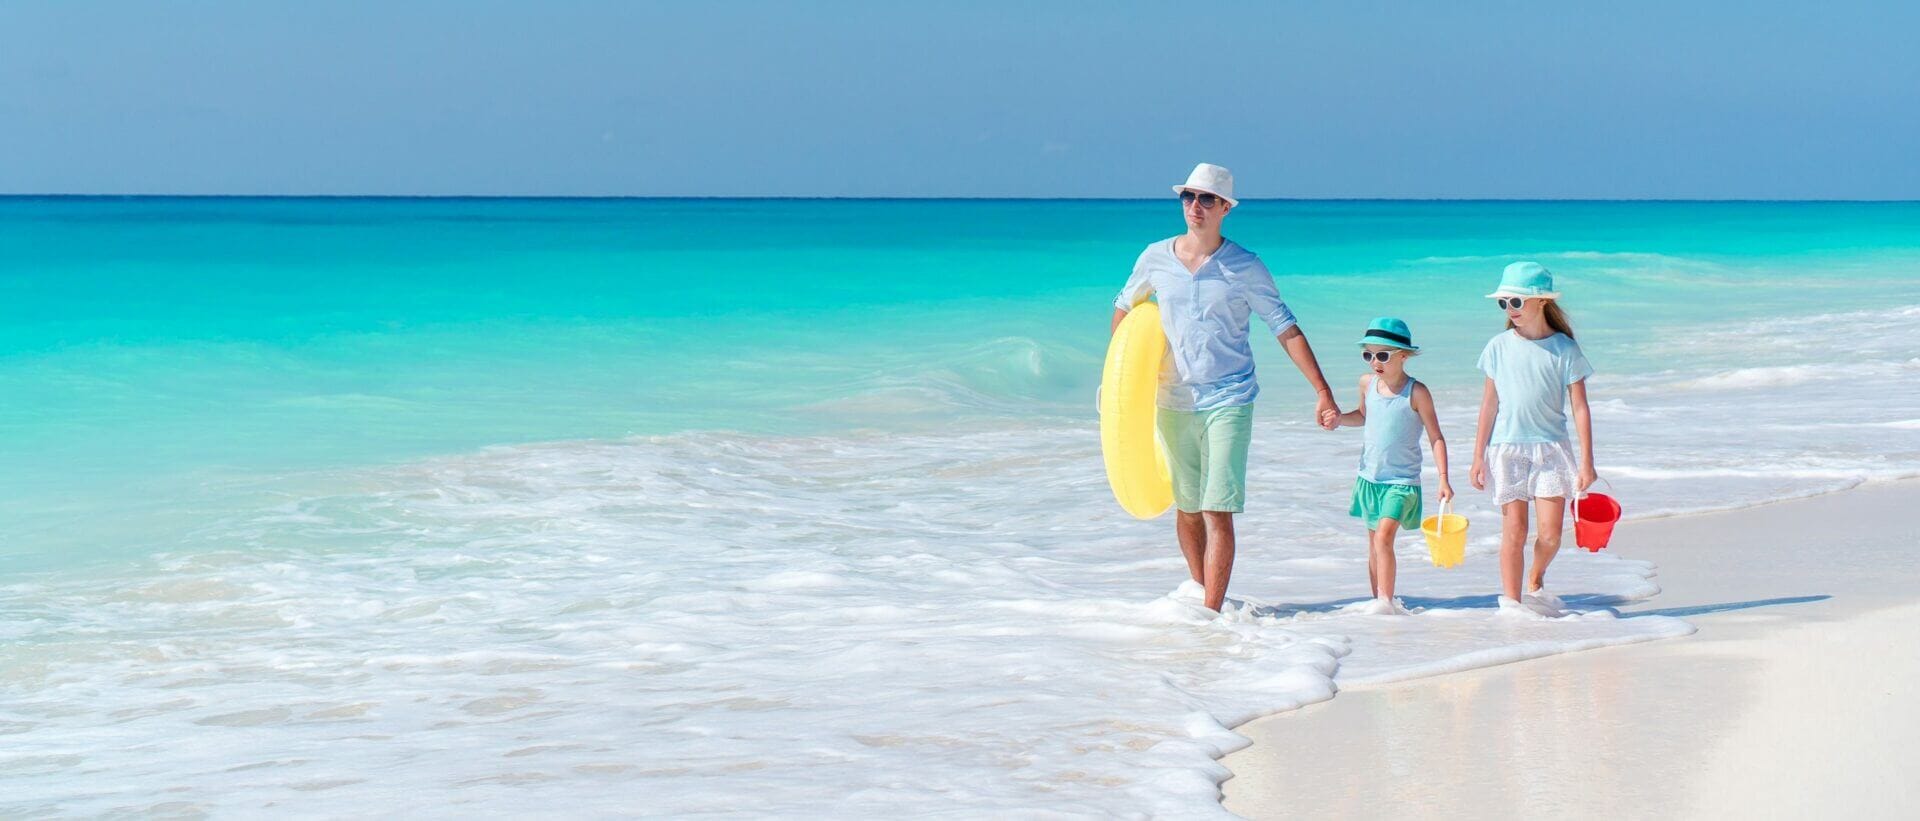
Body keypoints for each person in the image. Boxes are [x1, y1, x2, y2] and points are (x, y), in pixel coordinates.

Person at [1111, 163, 1340, 612]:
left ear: (1225, 208)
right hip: (1172, 399)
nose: (1195, 207)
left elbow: (1286, 328)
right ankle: (1202, 598)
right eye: (1188, 197)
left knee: (1218, 508)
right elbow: (1124, 307)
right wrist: (1116, 382)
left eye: (1206, 199)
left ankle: (1212, 616)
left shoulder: (1245, 266)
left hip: (1229, 397)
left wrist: (1322, 391)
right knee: (1189, 507)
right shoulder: (1154, 257)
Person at [1467, 262, 1598, 614]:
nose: (1510, 310)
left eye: (1516, 302)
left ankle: (1535, 580)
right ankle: (1511, 605)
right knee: (1514, 530)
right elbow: (1489, 405)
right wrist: (1478, 456)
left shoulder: (1564, 349)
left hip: (1551, 448)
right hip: (1507, 448)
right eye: (1504, 303)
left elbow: (1580, 408)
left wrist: (1587, 461)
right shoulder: (1497, 347)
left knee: (1552, 534)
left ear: (1541, 301)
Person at [1330, 318, 1452, 612]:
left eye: (1382, 355)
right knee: (1374, 544)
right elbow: (1362, 416)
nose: (1375, 362)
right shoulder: (1367, 384)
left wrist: (1444, 479)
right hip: (1370, 478)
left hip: (1402, 482)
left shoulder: (1416, 392)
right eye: (1368, 355)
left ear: (1403, 355)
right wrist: (1338, 419)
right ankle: (1378, 605)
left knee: (1384, 537)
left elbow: (1436, 437)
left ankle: (1385, 603)